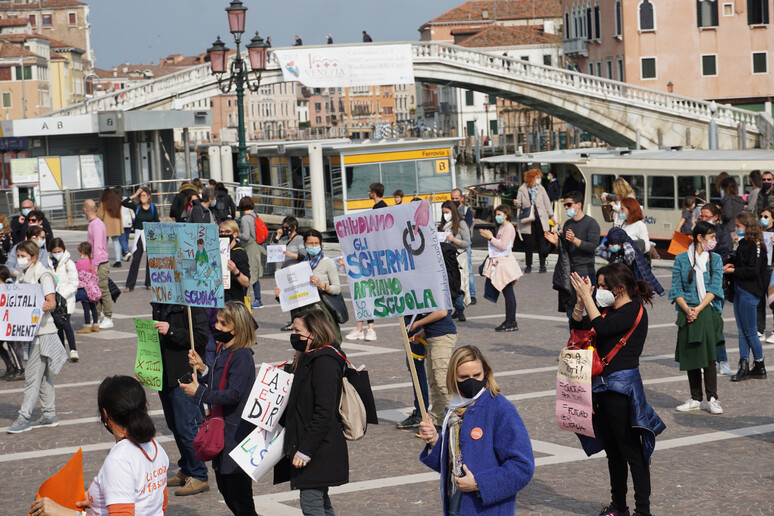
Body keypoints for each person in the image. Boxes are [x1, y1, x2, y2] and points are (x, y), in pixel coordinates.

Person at [569, 263, 663, 516]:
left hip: (621, 389)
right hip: (601, 387)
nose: (599, 290)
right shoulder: (608, 309)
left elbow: (602, 329)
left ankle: (643, 510)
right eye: (598, 286)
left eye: (603, 286)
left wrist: (589, 298)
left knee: (632, 451)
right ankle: (618, 506)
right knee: (613, 451)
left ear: (619, 288)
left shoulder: (633, 309)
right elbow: (577, 328)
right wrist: (581, 301)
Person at [417, 345, 535, 515]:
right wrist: (435, 441)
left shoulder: (500, 408)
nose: (471, 381)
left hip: (487, 509)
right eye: (464, 377)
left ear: (485, 372)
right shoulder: (455, 410)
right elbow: (453, 463)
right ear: (453, 378)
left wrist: (479, 483)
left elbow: (523, 467)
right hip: (456, 503)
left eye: (477, 375)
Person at [29, 375, 170, 516]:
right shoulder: (155, 446)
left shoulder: (119, 460)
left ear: (105, 414)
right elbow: (160, 503)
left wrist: (65, 513)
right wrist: (98, 499)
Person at [182, 301, 258, 516]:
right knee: (226, 489)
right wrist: (203, 369)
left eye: (224, 324)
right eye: (218, 322)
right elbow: (219, 382)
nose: (217, 327)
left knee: (239, 494)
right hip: (223, 431)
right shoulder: (223, 350)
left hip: (236, 433)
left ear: (238, 328)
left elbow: (234, 394)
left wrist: (199, 393)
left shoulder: (242, 355)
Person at [276, 310, 348, 516]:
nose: (293, 334)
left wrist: (305, 451)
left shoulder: (325, 361)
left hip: (317, 446)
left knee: (311, 503)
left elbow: (324, 411)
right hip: (310, 441)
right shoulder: (309, 357)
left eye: (298, 330)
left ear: (313, 334)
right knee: (320, 501)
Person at [7, 240, 67, 433]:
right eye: (18, 256)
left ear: (32, 257)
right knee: (43, 377)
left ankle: (24, 417)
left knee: (32, 376)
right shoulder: (25, 274)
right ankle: (49, 414)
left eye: (23, 256)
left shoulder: (43, 274)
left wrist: (44, 305)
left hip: (43, 332)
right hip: (33, 332)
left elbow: (52, 302)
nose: (20, 260)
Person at [152, 300, 210, 496]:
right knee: (174, 424)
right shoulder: (160, 303)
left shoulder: (192, 304)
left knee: (188, 426)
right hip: (164, 373)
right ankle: (187, 468)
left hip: (183, 374)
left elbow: (201, 337)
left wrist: (171, 330)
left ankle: (199, 475)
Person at [669, 221, 725, 414]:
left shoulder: (715, 259)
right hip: (687, 311)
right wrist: (687, 309)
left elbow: (715, 288)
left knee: (709, 356)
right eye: (711, 237)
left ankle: (712, 397)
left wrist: (699, 309)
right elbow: (676, 288)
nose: (714, 241)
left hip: (707, 310)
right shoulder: (681, 259)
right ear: (700, 238)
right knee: (691, 355)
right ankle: (695, 397)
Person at [724, 212, 768, 381]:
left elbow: (754, 270)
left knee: (750, 331)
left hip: (750, 290)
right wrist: (732, 263)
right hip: (739, 289)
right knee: (742, 330)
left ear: (747, 227)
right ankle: (744, 364)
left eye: (738, 226)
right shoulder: (743, 243)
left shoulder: (757, 245)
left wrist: (734, 270)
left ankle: (759, 364)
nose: (736, 229)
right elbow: (742, 263)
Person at [545, 191, 601, 318]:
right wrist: (556, 243)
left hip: (585, 271)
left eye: (569, 205)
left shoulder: (591, 223)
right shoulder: (568, 224)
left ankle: (595, 333)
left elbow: (593, 247)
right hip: (569, 271)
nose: (566, 208)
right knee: (571, 307)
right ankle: (574, 334)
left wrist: (575, 240)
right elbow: (565, 249)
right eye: (565, 205)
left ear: (578, 205)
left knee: (591, 305)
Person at [401, 309, 458, 430]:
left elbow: (441, 313)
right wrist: (422, 332)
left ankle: (459, 423)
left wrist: (416, 324)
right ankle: (438, 424)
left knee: (443, 383)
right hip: (432, 336)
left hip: (442, 337)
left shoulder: (438, 289)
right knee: (435, 383)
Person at [346, 182, 386, 340]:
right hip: (370, 253)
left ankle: (368, 329)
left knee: (368, 293)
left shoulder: (379, 208)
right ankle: (362, 328)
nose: (368, 193)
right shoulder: (382, 207)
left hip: (374, 254)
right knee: (362, 293)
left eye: (370, 191)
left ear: (374, 193)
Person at [479, 205, 523, 332]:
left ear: (506, 214)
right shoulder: (502, 227)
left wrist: (490, 237)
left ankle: (511, 321)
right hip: (501, 262)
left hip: (505, 263)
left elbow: (503, 246)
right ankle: (510, 320)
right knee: (507, 292)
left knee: (508, 292)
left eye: (499, 214)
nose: (497, 216)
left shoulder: (508, 228)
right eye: (496, 214)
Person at [514, 168, 553, 273]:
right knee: (529, 244)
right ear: (531, 178)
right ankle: (528, 265)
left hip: (541, 219)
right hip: (528, 219)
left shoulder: (541, 189)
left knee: (542, 242)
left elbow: (547, 203)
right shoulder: (522, 189)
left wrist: (551, 215)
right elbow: (520, 204)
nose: (539, 179)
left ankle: (542, 264)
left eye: (539, 177)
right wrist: (517, 203)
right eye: (537, 177)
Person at [83, 200, 113, 329]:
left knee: (103, 290)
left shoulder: (96, 225)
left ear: (85, 210)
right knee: (97, 291)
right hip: (96, 262)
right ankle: (97, 316)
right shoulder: (93, 224)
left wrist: (94, 265)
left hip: (100, 263)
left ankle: (108, 316)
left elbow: (98, 247)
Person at [48, 238, 79, 362]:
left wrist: (63, 295)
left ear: (63, 250)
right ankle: (61, 350)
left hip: (66, 299)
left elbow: (74, 282)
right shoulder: (48, 262)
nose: (57, 253)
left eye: (59, 251)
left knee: (66, 323)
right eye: (54, 251)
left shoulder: (68, 263)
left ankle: (73, 349)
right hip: (53, 299)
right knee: (57, 325)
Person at [122, 187, 159, 293]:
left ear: (149, 196)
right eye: (141, 195)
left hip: (150, 235)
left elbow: (157, 220)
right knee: (136, 260)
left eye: (144, 195)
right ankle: (130, 285)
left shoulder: (153, 208)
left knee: (150, 260)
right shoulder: (136, 207)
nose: (142, 197)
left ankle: (149, 283)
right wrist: (134, 194)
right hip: (139, 235)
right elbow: (123, 203)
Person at [440, 200, 471, 321]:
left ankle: (460, 308)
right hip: (447, 258)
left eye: (447, 212)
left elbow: (467, 243)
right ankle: (455, 308)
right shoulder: (444, 226)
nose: (445, 215)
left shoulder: (461, 224)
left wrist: (454, 240)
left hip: (459, 257)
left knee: (459, 283)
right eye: (443, 213)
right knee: (450, 283)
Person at [238, 196, 266, 309]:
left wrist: (235, 233)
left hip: (249, 247)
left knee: (247, 274)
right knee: (254, 274)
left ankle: (247, 299)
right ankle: (257, 298)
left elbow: (245, 236)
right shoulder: (254, 215)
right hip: (256, 246)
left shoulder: (245, 218)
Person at [452, 188, 477, 305]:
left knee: (469, 270)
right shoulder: (450, 210)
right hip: (453, 245)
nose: (454, 200)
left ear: (462, 198)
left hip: (464, 244)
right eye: (452, 198)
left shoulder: (467, 211)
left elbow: (466, 226)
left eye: (456, 198)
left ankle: (472, 294)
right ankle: (459, 293)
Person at [219, 220, 251, 304]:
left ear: (235, 234)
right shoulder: (217, 251)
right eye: (221, 232)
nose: (223, 234)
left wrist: (235, 271)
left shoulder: (239, 253)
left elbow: (246, 282)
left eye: (227, 231)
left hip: (233, 299)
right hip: (219, 297)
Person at [756, 205, 774, 343]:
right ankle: (759, 329)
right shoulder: (758, 234)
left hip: (772, 271)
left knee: (773, 301)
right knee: (759, 300)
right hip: (760, 270)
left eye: (766, 217)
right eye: (761, 216)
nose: (763, 219)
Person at [76, 242, 102, 334]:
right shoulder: (93, 261)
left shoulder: (79, 263)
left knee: (86, 308)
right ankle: (95, 324)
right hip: (93, 288)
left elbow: (76, 273)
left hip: (85, 289)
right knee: (93, 307)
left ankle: (87, 325)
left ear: (82, 251)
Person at [97, 187, 124, 268]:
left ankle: (103, 259)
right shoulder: (117, 202)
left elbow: (100, 215)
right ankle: (118, 260)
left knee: (104, 243)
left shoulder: (103, 203)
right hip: (116, 225)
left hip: (105, 225)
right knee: (116, 242)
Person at [115, 186, 134, 262]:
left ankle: (127, 251)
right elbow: (131, 209)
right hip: (128, 221)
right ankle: (124, 254)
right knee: (126, 238)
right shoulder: (126, 199)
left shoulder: (115, 200)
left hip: (120, 222)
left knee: (122, 239)